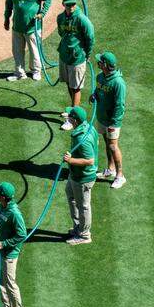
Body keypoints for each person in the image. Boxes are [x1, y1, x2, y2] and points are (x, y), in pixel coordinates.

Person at [4, 0, 53, 81]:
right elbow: (8, 2)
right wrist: (6, 18)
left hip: (32, 26)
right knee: (17, 51)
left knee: (34, 50)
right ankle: (20, 73)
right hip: (17, 25)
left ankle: (36, 71)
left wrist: (42, 13)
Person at [61, 105, 98, 245]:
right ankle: (78, 227)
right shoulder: (86, 127)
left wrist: (71, 160)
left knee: (83, 206)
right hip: (75, 174)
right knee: (70, 195)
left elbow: (90, 160)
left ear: (74, 120)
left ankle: (84, 235)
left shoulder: (82, 138)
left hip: (83, 177)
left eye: (70, 115)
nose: (67, 116)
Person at [91, 51, 127, 189]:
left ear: (105, 65)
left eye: (100, 61)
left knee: (113, 146)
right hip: (102, 117)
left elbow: (120, 105)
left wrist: (114, 123)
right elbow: (98, 90)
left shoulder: (118, 83)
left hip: (112, 122)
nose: (98, 62)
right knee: (107, 143)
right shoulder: (100, 77)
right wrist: (94, 95)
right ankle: (110, 169)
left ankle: (120, 176)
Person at [55, 0, 94, 108]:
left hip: (77, 58)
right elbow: (61, 33)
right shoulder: (60, 18)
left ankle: (73, 117)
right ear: (63, 4)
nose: (71, 7)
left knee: (76, 87)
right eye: (68, 4)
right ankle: (73, 110)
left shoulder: (82, 19)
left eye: (73, 4)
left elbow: (90, 37)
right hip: (64, 56)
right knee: (69, 83)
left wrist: (87, 53)